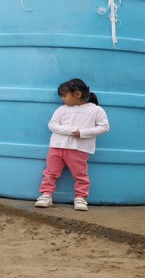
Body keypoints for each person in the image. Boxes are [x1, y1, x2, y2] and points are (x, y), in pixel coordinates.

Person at [35, 78, 110, 212]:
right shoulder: (61, 110)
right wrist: (70, 131)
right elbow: (52, 125)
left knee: (80, 175)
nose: (62, 99)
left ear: (77, 94)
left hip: (78, 149)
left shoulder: (96, 110)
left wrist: (83, 133)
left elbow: (104, 127)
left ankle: (80, 197)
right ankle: (46, 195)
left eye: (64, 96)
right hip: (56, 147)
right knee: (50, 173)